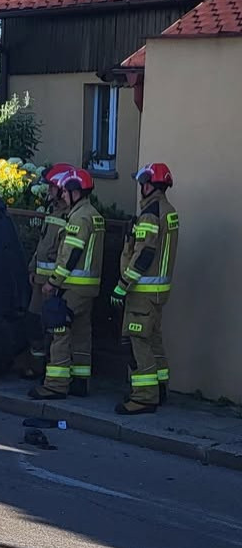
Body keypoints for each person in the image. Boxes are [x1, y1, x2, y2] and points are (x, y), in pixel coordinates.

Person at [29, 168, 104, 400]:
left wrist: (54, 281)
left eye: (66, 192)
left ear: (76, 192)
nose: (62, 195)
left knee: (59, 330)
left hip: (73, 285)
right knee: (81, 333)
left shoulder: (79, 217)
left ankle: (55, 385)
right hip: (88, 287)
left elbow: (70, 254)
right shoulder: (94, 215)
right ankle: (80, 382)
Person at [110, 163, 179, 415]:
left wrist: (122, 285)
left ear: (150, 185)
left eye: (142, 184)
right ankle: (160, 389)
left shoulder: (150, 214)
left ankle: (144, 397)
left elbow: (144, 254)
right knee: (154, 340)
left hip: (142, 291)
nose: (140, 189)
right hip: (158, 292)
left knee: (139, 342)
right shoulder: (169, 211)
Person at [14, 162, 77, 379]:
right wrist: (33, 268)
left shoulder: (70, 216)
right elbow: (43, 245)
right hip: (40, 282)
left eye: (52, 186)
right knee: (33, 324)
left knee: (52, 328)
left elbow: (64, 254)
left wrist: (53, 281)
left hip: (53, 284)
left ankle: (47, 369)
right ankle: (37, 365)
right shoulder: (53, 212)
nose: (49, 190)